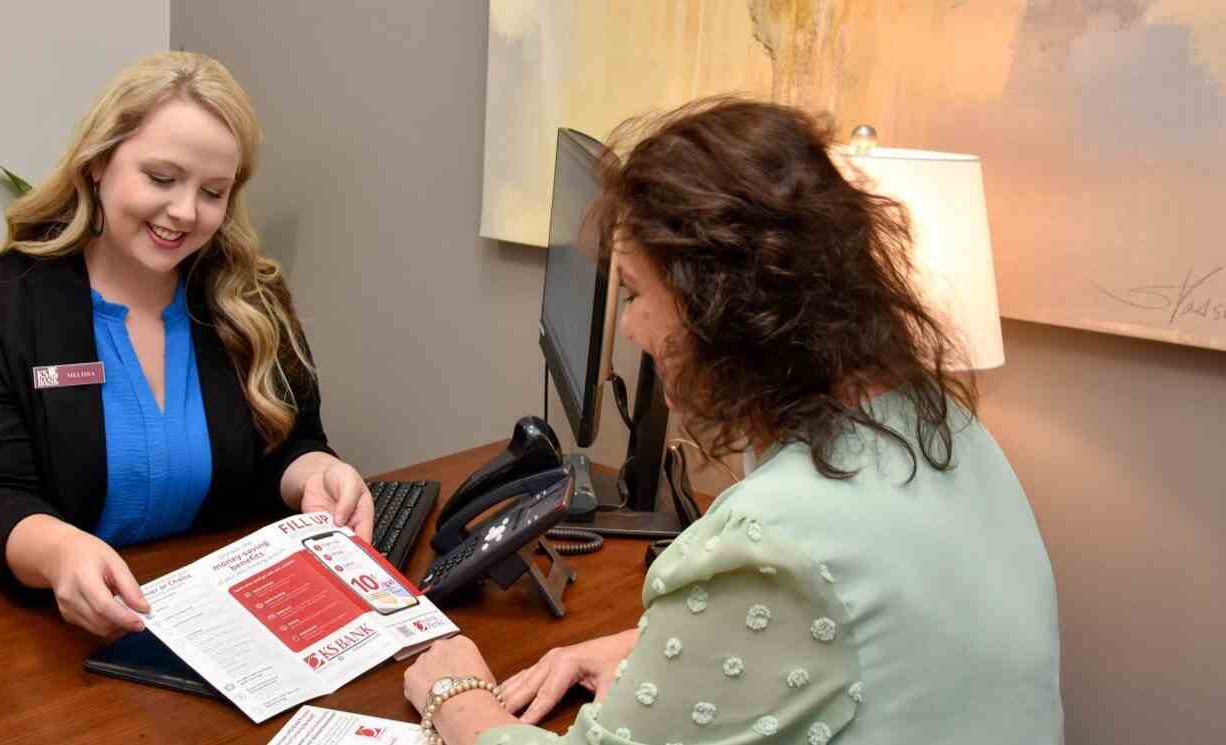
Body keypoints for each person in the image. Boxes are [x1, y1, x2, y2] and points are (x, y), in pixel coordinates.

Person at [404, 98, 1063, 744]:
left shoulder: (773, 539)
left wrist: (456, 693)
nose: (629, 326)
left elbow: (812, 585)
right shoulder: (941, 422)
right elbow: (872, 623)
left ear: (717, 306)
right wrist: (664, 653)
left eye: (635, 292)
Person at [0, 52, 375, 639]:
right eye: (161, 178)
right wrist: (59, 552)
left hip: (198, 617)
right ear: (99, 163)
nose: (184, 212)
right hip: (18, 623)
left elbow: (290, 443)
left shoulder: (250, 298)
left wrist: (316, 474)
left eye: (213, 191)